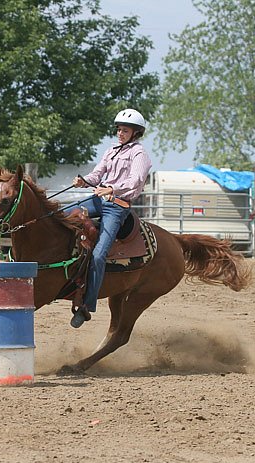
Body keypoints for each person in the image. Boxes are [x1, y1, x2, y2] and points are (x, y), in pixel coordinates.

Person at [70, 108, 152, 327]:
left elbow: (135, 182)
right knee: (64, 216)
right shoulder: (111, 150)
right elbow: (97, 175)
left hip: (117, 207)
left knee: (99, 255)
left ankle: (86, 307)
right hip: (100, 199)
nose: (120, 133)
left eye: (124, 130)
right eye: (118, 129)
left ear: (135, 133)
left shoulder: (139, 155)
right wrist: (84, 181)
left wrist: (111, 189)